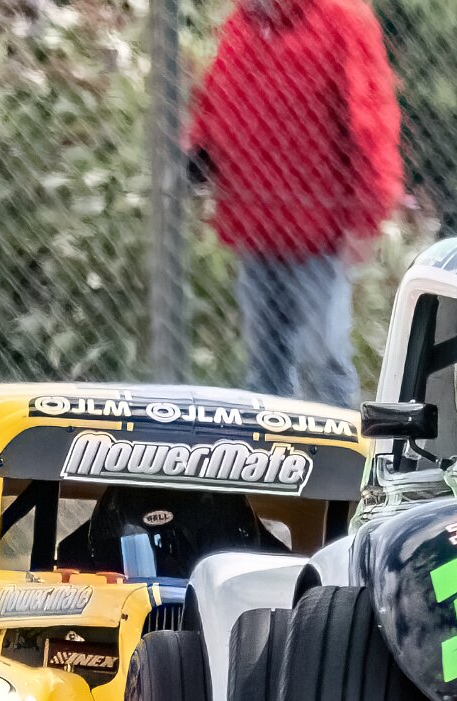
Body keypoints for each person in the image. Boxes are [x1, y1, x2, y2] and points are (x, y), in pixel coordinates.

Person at [187, 0, 402, 410]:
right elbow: (217, 98)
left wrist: (368, 215)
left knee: (324, 364)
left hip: (318, 235)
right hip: (255, 226)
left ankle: (337, 449)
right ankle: (267, 448)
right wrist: (200, 149)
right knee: (264, 368)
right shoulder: (245, 23)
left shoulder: (341, 20)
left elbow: (370, 123)